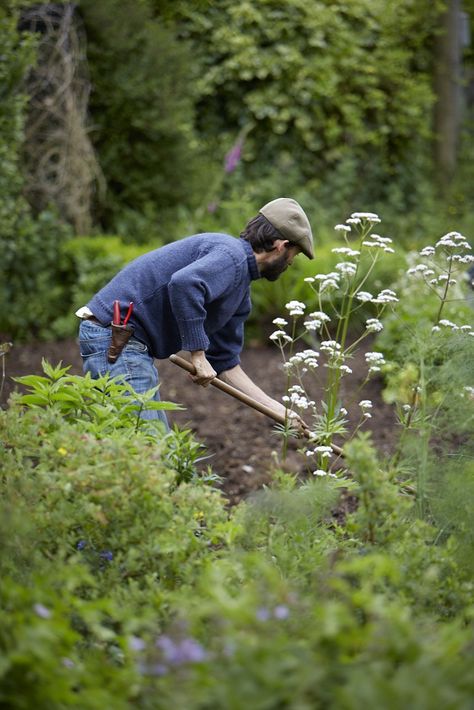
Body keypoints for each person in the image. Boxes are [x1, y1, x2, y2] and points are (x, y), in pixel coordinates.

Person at [76, 197, 314, 432]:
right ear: (281, 245)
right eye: (296, 253)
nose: (291, 262)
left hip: (129, 345)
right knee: (147, 447)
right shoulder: (231, 256)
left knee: (155, 448)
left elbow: (225, 362)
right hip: (116, 339)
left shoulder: (240, 291)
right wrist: (198, 355)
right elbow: (184, 284)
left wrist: (277, 410)